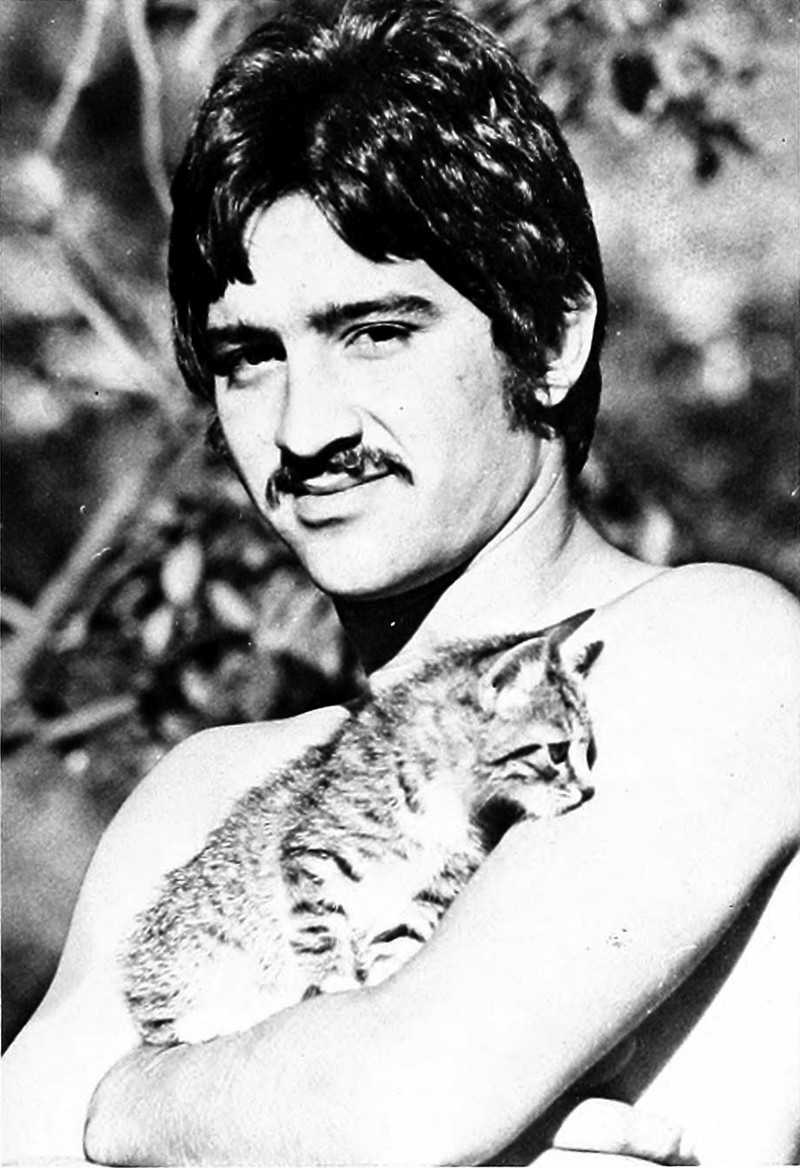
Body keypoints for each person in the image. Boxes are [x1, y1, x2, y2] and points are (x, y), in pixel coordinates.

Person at [3, 1, 799, 1164]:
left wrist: (126, 1105)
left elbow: (399, 1110)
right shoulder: (205, 788)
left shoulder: (707, 647)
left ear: (551, 337)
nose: (303, 428)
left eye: (372, 331)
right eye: (248, 357)